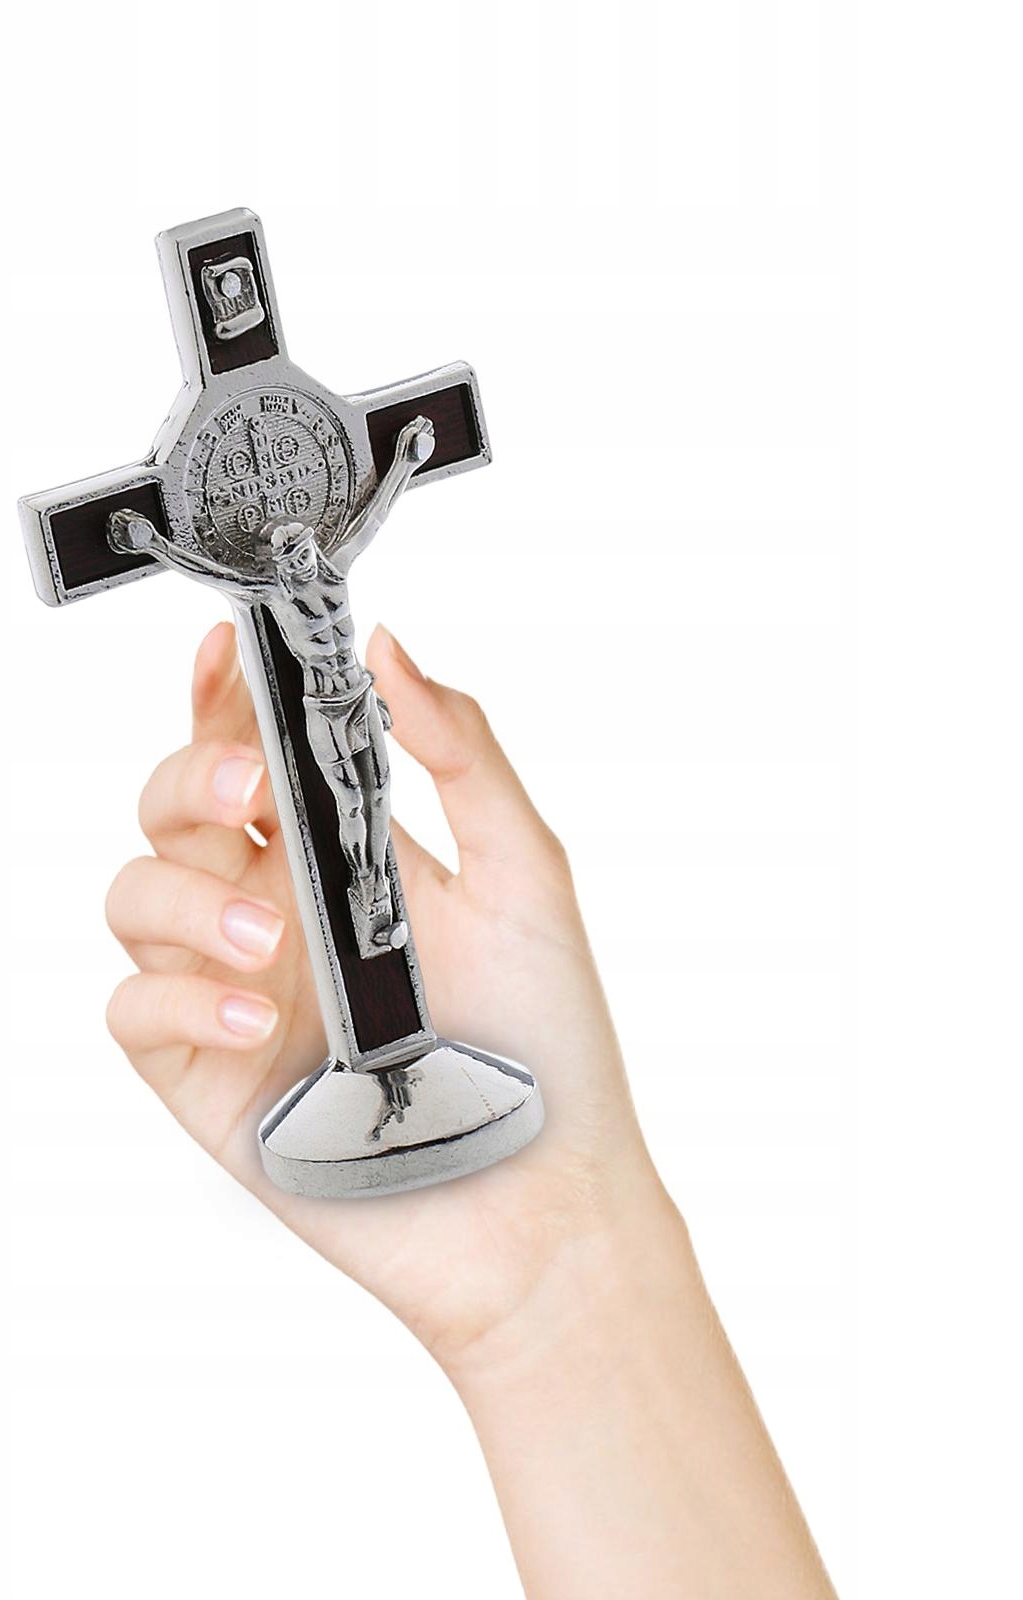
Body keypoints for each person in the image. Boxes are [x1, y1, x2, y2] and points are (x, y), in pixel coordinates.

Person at [102, 619, 839, 1598]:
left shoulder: (323, 589)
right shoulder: (298, 590)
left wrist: (574, 1265)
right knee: (349, 840)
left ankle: (375, 970)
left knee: (363, 832)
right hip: (331, 741)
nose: (297, 558)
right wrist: (557, 1296)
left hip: (352, 738)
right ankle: (365, 998)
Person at [108, 415, 436, 954]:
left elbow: (374, 516)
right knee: (351, 805)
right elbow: (218, 575)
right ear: (279, 566)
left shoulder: (336, 570)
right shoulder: (277, 595)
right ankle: (365, 881)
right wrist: (155, 546)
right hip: (326, 708)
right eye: (291, 558)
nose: (302, 561)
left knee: (380, 793)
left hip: (359, 694)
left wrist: (406, 461)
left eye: (305, 549)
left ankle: (376, 888)